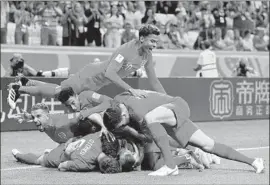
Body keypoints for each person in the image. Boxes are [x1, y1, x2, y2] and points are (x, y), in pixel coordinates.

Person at [103, 90, 264, 176]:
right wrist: (106, 127)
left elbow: (148, 137)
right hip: (167, 114)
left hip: (176, 106)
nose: (123, 127)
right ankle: (254, 161)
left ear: (124, 116)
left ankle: (170, 166)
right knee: (208, 145)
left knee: (151, 118)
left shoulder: (137, 113)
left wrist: (128, 130)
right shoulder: (117, 101)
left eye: (122, 124)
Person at [7, 24, 166, 109]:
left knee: (60, 90)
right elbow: (111, 73)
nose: (155, 45)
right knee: (60, 93)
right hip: (91, 76)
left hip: (97, 82)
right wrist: (131, 89)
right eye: (152, 41)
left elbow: (154, 81)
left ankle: (26, 82)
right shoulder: (126, 50)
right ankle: (18, 88)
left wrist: (167, 99)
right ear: (142, 38)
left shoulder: (147, 55)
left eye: (156, 42)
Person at [11, 102, 114, 166]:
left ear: (48, 115)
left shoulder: (63, 121)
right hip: (69, 142)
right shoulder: (43, 121)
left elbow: (90, 113)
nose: (35, 120)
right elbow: (38, 118)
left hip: (86, 139)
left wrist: (103, 127)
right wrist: (29, 117)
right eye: (34, 117)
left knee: (40, 160)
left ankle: (18, 155)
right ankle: (55, 150)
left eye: (38, 116)